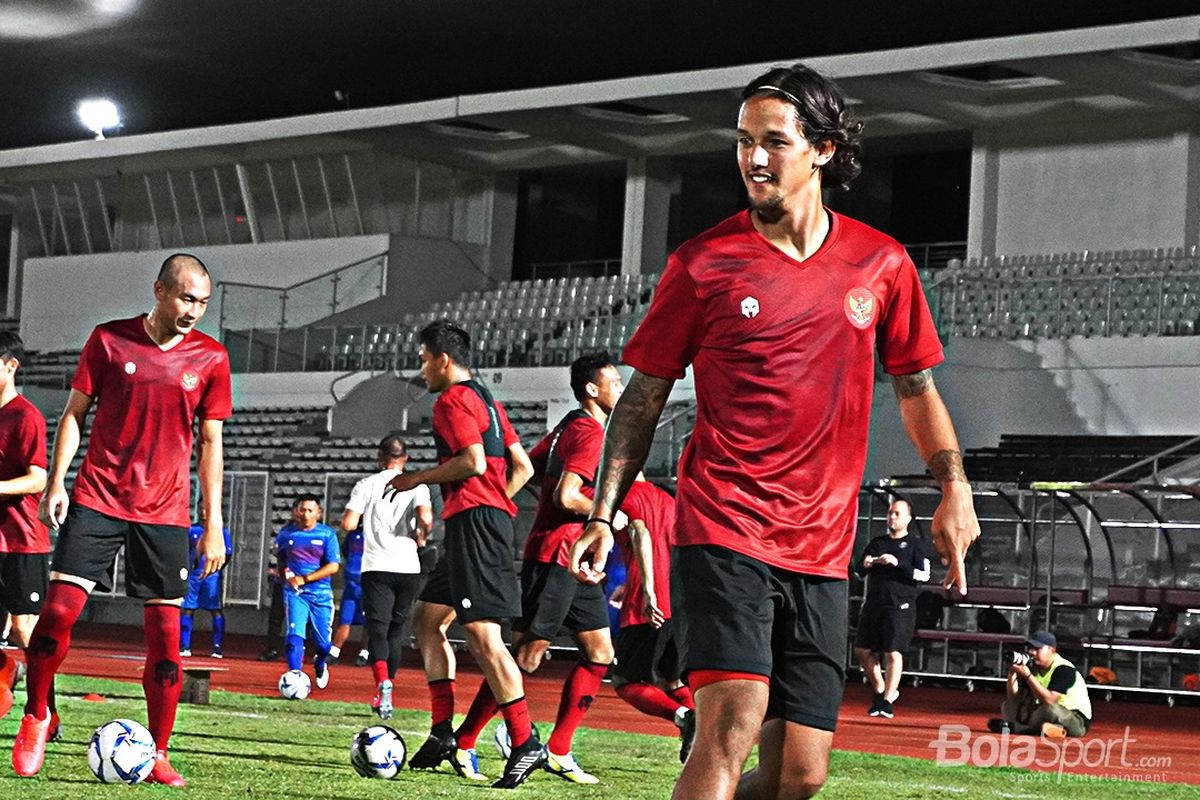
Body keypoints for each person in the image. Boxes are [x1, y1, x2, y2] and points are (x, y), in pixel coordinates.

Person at [569, 63, 980, 800]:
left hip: (822, 546)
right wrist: (603, 514)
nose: (753, 158)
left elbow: (917, 389)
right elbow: (640, 401)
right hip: (724, 528)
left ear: (823, 149)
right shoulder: (702, 264)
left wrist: (955, 487)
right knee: (731, 725)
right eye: (743, 141)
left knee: (800, 774)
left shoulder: (882, 264)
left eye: (774, 142)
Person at [15, 253, 232, 786]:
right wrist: (58, 481)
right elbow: (74, 414)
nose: (193, 311)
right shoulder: (109, 340)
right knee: (58, 613)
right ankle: (37, 714)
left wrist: (214, 524)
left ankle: (158, 751)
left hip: (166, 511)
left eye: (202, 303)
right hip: (98, 496)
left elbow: (211, 443)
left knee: (165, 637)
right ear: (159, 291)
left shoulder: (211, 358)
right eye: (186, 298)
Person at [389, 319, 539, 789]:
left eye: (423, 360)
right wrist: (495, 502)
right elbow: (523, 467)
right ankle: (442, 732)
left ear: (442, 359)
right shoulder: (487, 400)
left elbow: (472, 461)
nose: (422, 369)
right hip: (476, 523)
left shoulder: (452, 400)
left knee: (483, 636)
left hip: (475, 526)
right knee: (427, 621)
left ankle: (525, 741)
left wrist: (416, 479)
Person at [340, 433, 433, 719]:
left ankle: (382, 683)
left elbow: (348, 523)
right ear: (405, 458)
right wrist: (420, 534)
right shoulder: (418, 485)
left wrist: (364, 524)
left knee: (377, 629)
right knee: (395, 630)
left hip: (377, 565)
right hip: (408, 567)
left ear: (380, 458)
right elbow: (426, 519)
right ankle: (389, 683)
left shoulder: (366, 484)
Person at [610, 474, 695, 762]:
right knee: (673, 681)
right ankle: (694, 725)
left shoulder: (623, 497)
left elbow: (641, 533)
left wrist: (647, 590)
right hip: (677, 602)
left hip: (647, 605)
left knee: (625, 681)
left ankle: (684, 716)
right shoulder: (667, 499)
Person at [0, 333, 50, 722]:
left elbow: (38, 479)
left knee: (24, 629)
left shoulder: (25, 416)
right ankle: (6, 673)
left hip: (22, 541)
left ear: (10, 365)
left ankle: (45, 711)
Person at [853, 498, 932, 718]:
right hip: (874, 604)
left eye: (897, 513)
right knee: (862, 650)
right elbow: (859, 571)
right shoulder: (878, 542)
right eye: (890, 513)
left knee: (893, 652)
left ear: (908, 518)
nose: (892, 517)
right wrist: (866, 564)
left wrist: (898, 563)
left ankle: (887, 701)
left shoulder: (916, 545)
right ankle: (880, 689)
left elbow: (924, 575)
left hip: (900, 606)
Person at [275, 494, 340, 693]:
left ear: (318, 513)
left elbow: (333, 566)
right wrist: (286, 578)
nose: (306, 514)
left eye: (310, 510)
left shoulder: (327, 535)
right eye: (302, 509)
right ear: (296, 511)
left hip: (320, 594)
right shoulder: (286, 534)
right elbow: (281, 560)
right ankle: (294, 675)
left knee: (324, 645)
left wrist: (305, 578)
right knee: (294, 634)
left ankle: (320, 663)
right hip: (296, 593)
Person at [989, 630, 1092, 738]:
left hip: (1075, 719)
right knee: (1008, 706)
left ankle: (1016, 728)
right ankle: (1053, 729)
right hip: (1046, 713)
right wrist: (1012, 673)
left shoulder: (1064, 669)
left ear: (1052, 650)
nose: (1032, 652)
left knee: (1050, 710)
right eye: (1030, 648)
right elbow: (1014, 697)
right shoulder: (1033, 667)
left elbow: (1049, 700)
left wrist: (1028, 676)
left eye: (1037, 648)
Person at [180, 508, 233, 658]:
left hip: (212, 577)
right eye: (201, 508)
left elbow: (228, 554)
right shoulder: (192, 530)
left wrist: (216, 568)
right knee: (187, 608)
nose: (204, 512)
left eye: (206, 508)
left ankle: (217, 647)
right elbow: (184, 551)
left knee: (215, 609)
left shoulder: (221, 532)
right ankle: (185, 646)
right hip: (193, 576)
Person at [328, 525, 368, 665]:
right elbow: (345, 552)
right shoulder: (352, 535)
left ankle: (365, 653)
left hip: (368, 585)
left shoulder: (378, 534)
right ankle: (334, 652)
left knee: (369, 621)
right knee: (344, 619)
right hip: (351, 585)